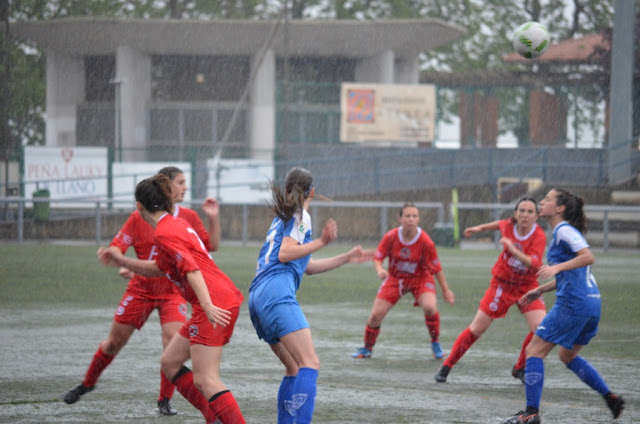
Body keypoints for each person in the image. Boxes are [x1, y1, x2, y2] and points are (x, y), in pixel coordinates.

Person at [64, 166, 220, 416]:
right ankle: (87, 383)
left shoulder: (187, 217)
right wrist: (115, 256)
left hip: (172, 292)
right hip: (141, 290)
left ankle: (164, 401)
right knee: (114, 342)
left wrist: (213, 217)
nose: (185, 187)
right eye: (180, 183)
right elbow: (118, 247)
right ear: (166, 188)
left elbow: (209, 247)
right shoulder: (140, 217)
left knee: (171, 343)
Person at [98, 174, 245, 424]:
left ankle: (222, 418)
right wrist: (122, 261)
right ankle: (215, 416)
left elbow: (192, 270)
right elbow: (161, 268)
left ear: (139, 207)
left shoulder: (165, 233)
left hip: (213, 301)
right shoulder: (174, 225)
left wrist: (208, 305)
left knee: (205, 379)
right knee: (170, 361)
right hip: (216, 298)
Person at [248, 167, 374, 424]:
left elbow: (308, 266)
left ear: (286, 190)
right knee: (310, 363)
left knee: (294, 367)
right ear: (312, 192)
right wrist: (322, 241)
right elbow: (285, 253)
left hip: (257, 297)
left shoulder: (282, 218)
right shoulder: (299, 214)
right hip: (276, 293)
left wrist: (345, 258)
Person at [501, 189, 625, 424]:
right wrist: (541, 289)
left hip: (573, 304)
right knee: (567, 356)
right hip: (591, 304)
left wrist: (556, 268)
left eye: (548, 199)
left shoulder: (564, 230)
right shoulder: (565, 231)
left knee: (534, 351)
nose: (542, 202)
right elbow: (573, 274)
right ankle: (610, 396)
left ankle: (530, 413)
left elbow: (588, 257)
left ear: (560, 208)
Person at [434, 197, 547, 383]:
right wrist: (479, 228)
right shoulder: (509, 225)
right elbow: (499, 224)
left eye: (530, 212)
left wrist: (512, 249)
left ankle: (520, 367)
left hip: (527, 286)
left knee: (541, 328)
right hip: (502, 284)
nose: (525, 215)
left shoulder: (538, 236)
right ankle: (447, 365)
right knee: (477, 328)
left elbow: (534, 264)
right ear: (515, 213)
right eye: (522, 211)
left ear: (536, 216)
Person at [352, 202, 455, 360]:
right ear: (400, 218)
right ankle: (367, 348)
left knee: (429, 306)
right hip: (396, 278)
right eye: (407, 216)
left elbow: (436, 268)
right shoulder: (391, 237)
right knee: (375, 315)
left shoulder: (426, 242)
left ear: (418, 219)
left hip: (420, 279)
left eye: (414, 216)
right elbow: (378, 257)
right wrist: (380, 270)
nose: (411, 219)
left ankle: (435, 342)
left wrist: (446, 290)